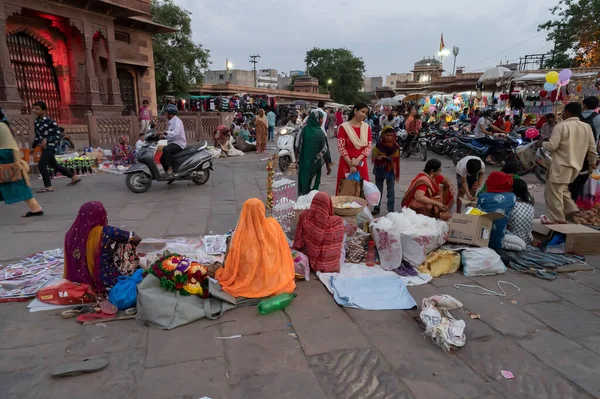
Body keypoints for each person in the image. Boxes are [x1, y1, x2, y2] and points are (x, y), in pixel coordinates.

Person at [215, 198, 296, 298]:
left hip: (246, 278)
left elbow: (232, 260)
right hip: (272, 276)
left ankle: (255, 284)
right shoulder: (273, 226)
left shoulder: (239, 237)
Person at [538, 102, 598, 223]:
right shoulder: (586, 127)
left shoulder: (561, 126)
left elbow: (552, 146)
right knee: (562, 189)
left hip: (561, 165)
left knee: (552, 195)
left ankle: (558, 220)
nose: (562, 114)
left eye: (564, 112)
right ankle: (571, 209)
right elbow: (592, 148)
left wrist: (542, 144)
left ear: (568, 112)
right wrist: (592, 163)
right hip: (576, 167)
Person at [64, 201, 142, 293]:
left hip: (77, 278)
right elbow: (137, 238)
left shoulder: (70, 234)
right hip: (106, 279)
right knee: (127, 243)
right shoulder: (107, 231)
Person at [0, 108, 43, 217]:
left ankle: (35, 207)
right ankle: (35, 207)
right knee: (14, 181)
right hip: (7, 153)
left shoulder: (1, 126)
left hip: (4, 155)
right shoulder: (3, 124)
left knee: (15, 181)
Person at [32, 101, 80, 193]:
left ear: (44, 110)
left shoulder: (51, 122)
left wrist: (47, 139)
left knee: (41, 166)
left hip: (51, 147)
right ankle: (74, 177)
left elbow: (58, 135)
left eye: (37, 109)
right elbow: (37, 136)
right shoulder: (36, 122)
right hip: (44, 147)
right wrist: (33, 146)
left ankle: (48, 186)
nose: (35, 111)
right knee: (55, 165)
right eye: (34, 109)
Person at [293, 192, 345, 273]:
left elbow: (298, 241)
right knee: (343, 248)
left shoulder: (305, 216)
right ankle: (329, 265)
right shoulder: (336, 222)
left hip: (309, 259)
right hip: (329, 263)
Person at [336, 102, 373, 192]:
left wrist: (357, 160)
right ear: (355, 110)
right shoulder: (344, 127)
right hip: (346, 163)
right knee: (345, 191)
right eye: (362, 112)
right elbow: (341, 148)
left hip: (361, 163)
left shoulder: (366, 127)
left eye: (366, 113)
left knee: (362, 191)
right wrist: (351, 164)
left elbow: (368, 146)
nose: (364, 115)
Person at [296, 110, 333, 195]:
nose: (322, 121)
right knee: (314, 182)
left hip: (303, 162)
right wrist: (328, 165)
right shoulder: (320, 133)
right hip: (315, 163)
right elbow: (325, 151)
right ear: (316, 119)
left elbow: (297, 145)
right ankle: (312, 198)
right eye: (321, 119)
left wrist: (297, 160)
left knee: (303, 180)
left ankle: (302, 197)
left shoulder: (303, 130)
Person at [477, 172, 516, 249]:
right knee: (521, 244)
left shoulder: (482, 197)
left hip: (481, 239)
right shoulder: (512, 197)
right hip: (499, 240)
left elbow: (477, 215)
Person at [372, 125, 400, 214]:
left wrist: (386, 158)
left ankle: (391, 210)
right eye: (387, 135)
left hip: (390, 171)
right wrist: (378, 158)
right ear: (383, 135)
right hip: (380, 170)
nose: (389, 137)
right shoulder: (378, 145)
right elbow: (374, 156)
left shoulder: (395, 146)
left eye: (391, 135)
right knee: (378, 190)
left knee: (391, 191)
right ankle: (376, 208)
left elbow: (395, 158)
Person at [507, 179, 535, 244]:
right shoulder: (529, 204)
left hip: (514, 240)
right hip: (527, 239)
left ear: (511, 189)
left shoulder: (511, 204)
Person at [160, 104, 186, 173]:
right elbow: (170, 134)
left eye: (166, 113)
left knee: (166, 149)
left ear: (170, 113)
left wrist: (165, 133)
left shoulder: (177, 121)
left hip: (179, 143)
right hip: (172, 142)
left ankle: (170, 168)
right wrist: (163, 136)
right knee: (162, 159)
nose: (165, 114)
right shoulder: (171, 121)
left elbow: (175, 132)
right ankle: (169, 175)